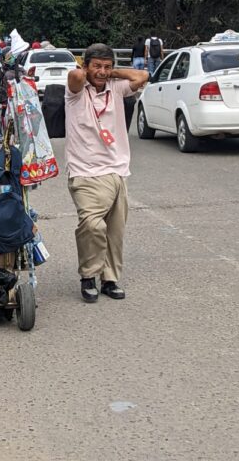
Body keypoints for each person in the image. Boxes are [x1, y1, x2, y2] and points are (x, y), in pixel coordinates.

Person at [65, 43, 148, 303]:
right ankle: (88, 275)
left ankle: (110, 279)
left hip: (117, 169)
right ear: (85, 65)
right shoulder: (75, 92)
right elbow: (76, 77)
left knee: (115, 230)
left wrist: (110, 74)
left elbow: (142, 76)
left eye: (107, 66)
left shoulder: (116, 87)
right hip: (85, 172)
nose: (102, 71)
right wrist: (91, 73)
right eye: (97, 66)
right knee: (91, 224)